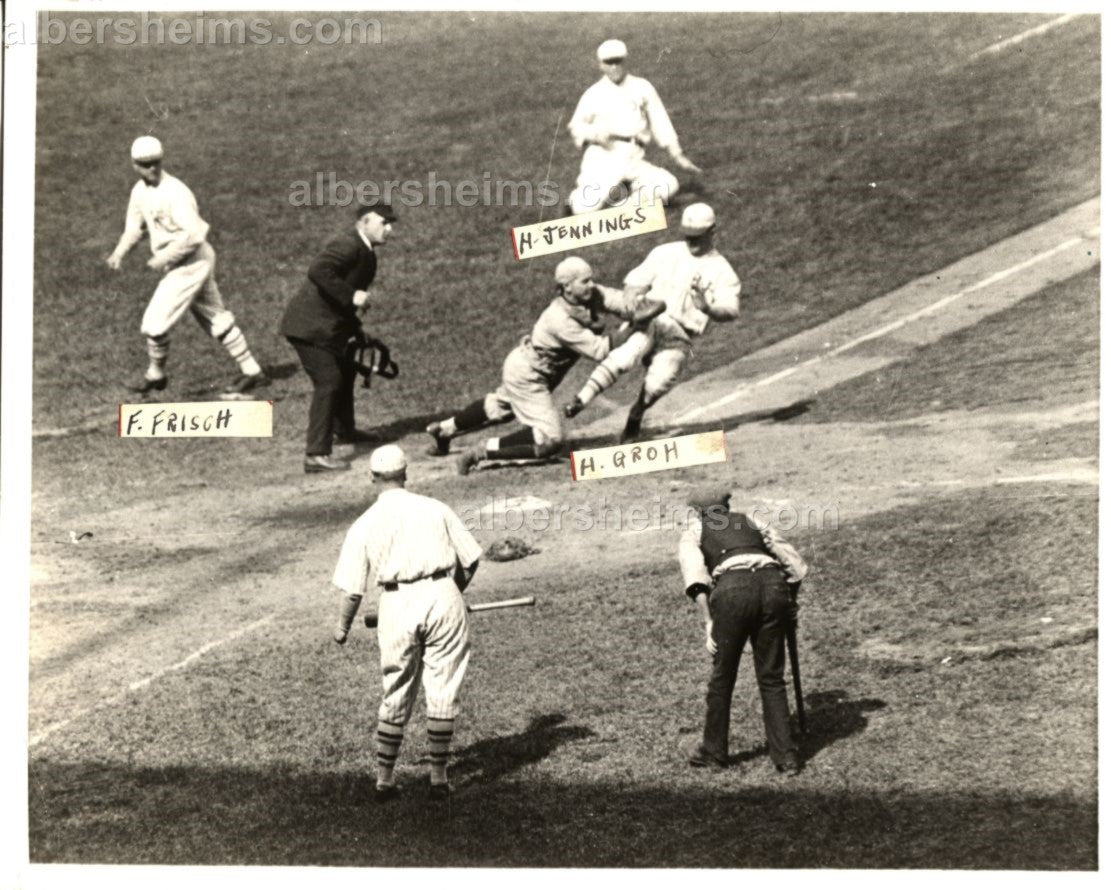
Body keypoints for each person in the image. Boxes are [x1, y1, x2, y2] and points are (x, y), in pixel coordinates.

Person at [331, 444, 484, 802]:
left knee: (396, 687)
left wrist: (342, 628)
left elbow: (352, 591)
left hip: (396, 604)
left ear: (372, 477)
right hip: (443, 595)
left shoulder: (364, 523)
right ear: (405, 474)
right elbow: (471, 559)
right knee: (443, 686)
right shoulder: (435, 507)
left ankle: (384, 780)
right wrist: (453, 594)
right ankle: (438, 778)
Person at [424, 256, 663, 475]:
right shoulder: (559, 319)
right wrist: (633, 327)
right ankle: (481, 451)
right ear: (567, 287)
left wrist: (638, 305)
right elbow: (600, 350)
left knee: (500, 407)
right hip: (528, 375)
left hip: (532, 368)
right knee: (550, 440)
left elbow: (620, 302)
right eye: (584, 281)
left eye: (591, 279)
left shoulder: (592, 294)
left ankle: (444, 430)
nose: (591, 285)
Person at [106, 136, 267, 398]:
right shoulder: (139, 192)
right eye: (145, 164)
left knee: (155, 323)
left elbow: (195, 234)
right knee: (215, 316)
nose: (152, 168)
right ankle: (252, 371)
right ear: (134, 165)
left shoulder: (176, 192)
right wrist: (119, 252)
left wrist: (163, 257)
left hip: (191, 261)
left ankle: (155, 374)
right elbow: (134, 227)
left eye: (156, 162)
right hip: (184, 262)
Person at [564, 203, 740, 443]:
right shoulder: (665, 253)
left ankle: (636, 413)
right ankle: (581, 400)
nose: (691, 241)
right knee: (626, 356)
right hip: (651, 322)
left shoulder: (723, 271)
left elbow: (731, 311)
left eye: (697, 236)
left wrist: (708, 308)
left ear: (712, 232)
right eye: (688, 235)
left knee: (658, 384)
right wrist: (632, 301)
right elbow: (634, 283)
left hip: (680, 336)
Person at [678, 487, 809, 775]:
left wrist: (709, 622)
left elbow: (696, 579)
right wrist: (790, 603)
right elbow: (796, 567)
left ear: (698, 512)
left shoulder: (695, 531)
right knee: (772, 677)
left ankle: (713, 752)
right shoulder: (751, 521)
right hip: (773, 588)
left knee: (723, 676)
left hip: (733, 593)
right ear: (726, 507)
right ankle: (786, 757)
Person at [280, 201, 397, 473]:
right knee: (329, 381)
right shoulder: (349, 245)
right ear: (364, 222)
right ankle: (315, 454)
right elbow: (318, 270)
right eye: (383, 223)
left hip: (326, 328)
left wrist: (357, 330)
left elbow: (340, 301)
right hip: (308, 328)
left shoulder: (367, 252)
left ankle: (345, 430)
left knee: (345, 371)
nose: (389, 229)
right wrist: (351, 295)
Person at [566, 38, 701, 215]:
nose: (614, 67)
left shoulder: (642, 87)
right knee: (584, 208)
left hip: (634, 157)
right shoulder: (593, 93)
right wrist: (594, 134)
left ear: (625, 61)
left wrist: (678, 155)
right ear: (600, 65)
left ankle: (619, 207)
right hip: (603, 158)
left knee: (668, 185)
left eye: (618, 61)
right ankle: (580, 201)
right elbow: (575, 126)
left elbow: (660, 121)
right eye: (609, 63)